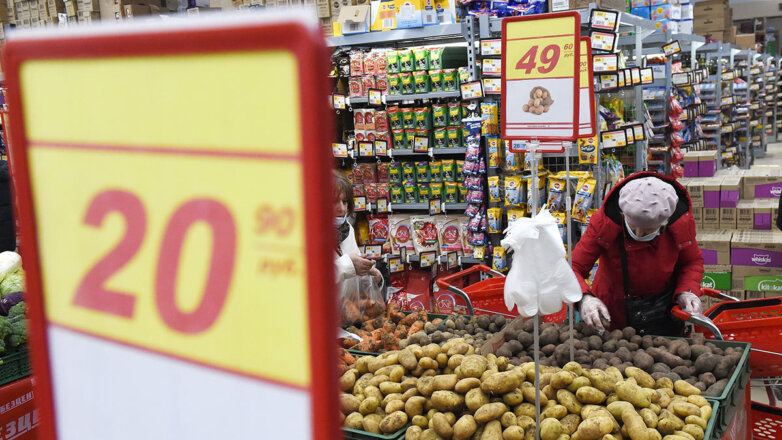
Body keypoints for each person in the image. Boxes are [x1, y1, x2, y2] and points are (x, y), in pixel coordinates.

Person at [571, 172, 704, 336]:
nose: (639, 235)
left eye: (648, 230)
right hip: (612, 313)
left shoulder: (679, 225)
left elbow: (691, 262)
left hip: (662, 313)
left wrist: (687, 291)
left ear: (665, 222)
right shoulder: (604, 223)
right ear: (623, 214)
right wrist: (584, 298)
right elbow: (574, 266)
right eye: (633, 227)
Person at [333, 171, 382, 287]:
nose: (342, 209)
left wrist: (370, 278)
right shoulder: (305, 235)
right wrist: (349, 265)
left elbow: (351, 277)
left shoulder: (347, 230)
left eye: (345, 202)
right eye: (334, 201)